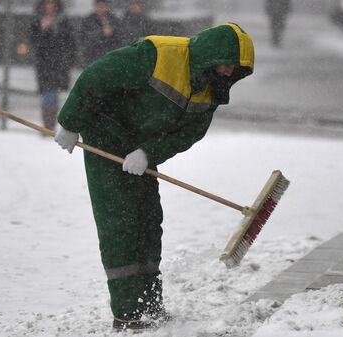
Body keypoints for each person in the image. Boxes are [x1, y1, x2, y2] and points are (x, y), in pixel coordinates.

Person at [54, 23, 254, 332]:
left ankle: (149, 303)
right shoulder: (158, 55)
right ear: (211, 55)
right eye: (227, 64)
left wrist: (148, 152)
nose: (229, 72)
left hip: (139, 145)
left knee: (148, 220)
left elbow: (190, 133)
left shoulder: (211, 86)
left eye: (235, 69)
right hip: (105, 134)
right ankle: (128, 313)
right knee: (119, 222)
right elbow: (97, 76)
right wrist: (70, 122)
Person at [29, 0, 75, 131]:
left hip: (58, 63)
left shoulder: (63, 21)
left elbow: (69, 42)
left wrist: (67, 60)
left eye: (52, 4)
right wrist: (42, 30)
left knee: (54, 93)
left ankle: (50, 125)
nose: (49, 7)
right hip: (44, 63)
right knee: (46, 93)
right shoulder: (37, 20)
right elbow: (33, 42)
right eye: (47, 4)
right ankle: (47, 125)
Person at [80, 0, 122, 66]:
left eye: (103, 6)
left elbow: (121, 35)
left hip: (111, 54)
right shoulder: (88, 20)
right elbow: (85, 37)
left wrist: (113, 31)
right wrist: (101, 32)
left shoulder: (114, 19)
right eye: (99, 6)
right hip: (93, 55)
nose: (101, 8)